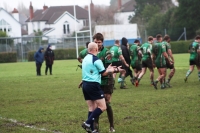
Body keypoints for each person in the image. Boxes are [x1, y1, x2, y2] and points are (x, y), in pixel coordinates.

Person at [80, 42, 122, 133]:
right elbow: (104, 73)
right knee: (103, 107)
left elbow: (93, 71)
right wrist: (114, 70)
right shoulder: (96, 60)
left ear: (88, 49)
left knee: (92, 108)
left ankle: (92, 130)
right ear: (96, 49)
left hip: (85, 85)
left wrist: (108, 69)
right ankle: (87, 123)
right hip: (93, 85)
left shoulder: (85, 59)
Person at [93, 33, 118, 132]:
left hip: (107, 79)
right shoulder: (91, 52)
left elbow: (108, 68)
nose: (97, 44)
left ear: (102, 42)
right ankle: (96, 126)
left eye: (99, 42)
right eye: (95, 42)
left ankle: (111, 126)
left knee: (107, 103)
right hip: (96, 81)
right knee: (97, 104)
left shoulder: (107, 53)